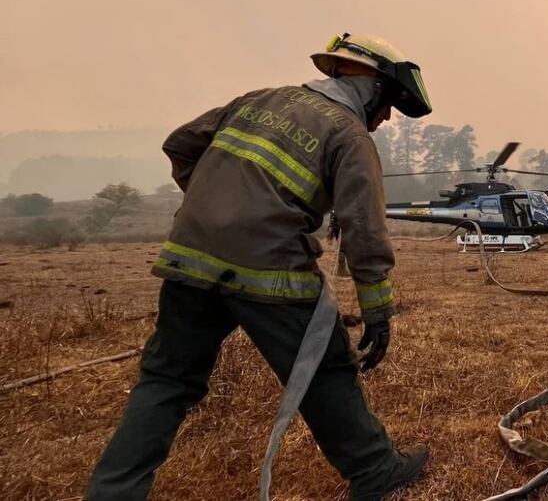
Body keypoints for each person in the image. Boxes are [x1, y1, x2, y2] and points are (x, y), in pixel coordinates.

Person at [85, 33, 433, 501]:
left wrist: (218, 205)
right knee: (323, 366)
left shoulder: (257, 100)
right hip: (271, 271)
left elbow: (180, 144)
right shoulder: (348, 134)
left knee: (166, 380)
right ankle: (373, 469)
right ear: (371, 87)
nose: (386, 116)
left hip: (190, 256)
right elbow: (364, 230)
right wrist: (377, 310)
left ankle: (112, 492)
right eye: (389, 103)